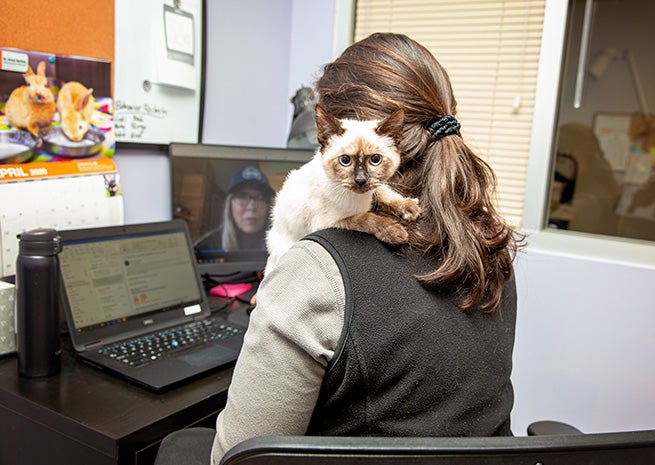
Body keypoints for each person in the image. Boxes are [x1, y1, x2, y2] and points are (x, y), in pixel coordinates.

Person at [154, 32, 522, 465]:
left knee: (178, 447)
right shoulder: (486, 245)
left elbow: (237, 457)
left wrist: (281, 300)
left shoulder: (318, 268)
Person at [194, 165, 275, 251]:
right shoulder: (206, 247)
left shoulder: (283, 247)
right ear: (230, 204)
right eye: (242, 197)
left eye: (260, 198)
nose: (251, 207)